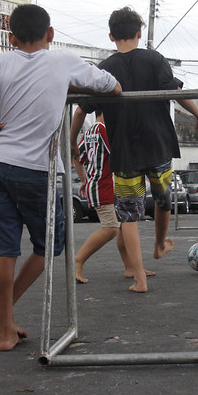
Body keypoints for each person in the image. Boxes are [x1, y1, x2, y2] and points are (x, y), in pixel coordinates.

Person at [0, 4, 121, 351]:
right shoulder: (63, 61)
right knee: (49, 246)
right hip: (37, 170)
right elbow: (113, 87)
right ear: (51, 34)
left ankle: (5, 327)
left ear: (11, 38)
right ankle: (0, 313)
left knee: (4, 248)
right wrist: (68, 86)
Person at [72, 6, 198, 293]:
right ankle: (160, 245)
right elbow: (177, 93)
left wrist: (72, 143)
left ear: (111, 36)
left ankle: (139, 278)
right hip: (158, 146)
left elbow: (79, 110)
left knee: (128, 215)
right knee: (163, 199)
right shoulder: (155, 59)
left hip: (124, 153)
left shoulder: (104, 69)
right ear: (140, 32)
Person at [71, 109, 154, 283]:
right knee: (111, 229)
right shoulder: (104, 130)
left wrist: (85, 179)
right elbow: (120, 153)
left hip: (100, 184)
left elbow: (76, 157)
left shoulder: (90, 131)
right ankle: (78, 260)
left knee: (124, 227)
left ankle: (130, 267)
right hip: (105, 185)